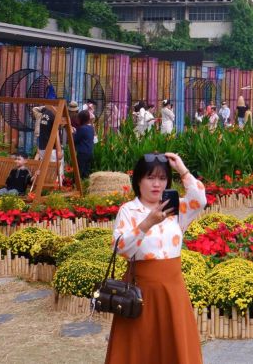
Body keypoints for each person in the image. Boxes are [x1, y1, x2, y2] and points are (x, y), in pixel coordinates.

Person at [106, 153, 206, 364]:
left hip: (173, 291)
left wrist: (182, 169)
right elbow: (120, 248)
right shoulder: (128, 211)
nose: (157, 184)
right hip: (141, 292)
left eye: (162, 178)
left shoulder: (175, 209)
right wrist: (146, 224)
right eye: (150, 178)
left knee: (174, 347)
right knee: (141, 349)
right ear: (139, 181)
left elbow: (199, 200)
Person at [74, 110, 95, 180]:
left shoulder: (81, 129)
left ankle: (77, 185)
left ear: (81, 119)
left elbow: (75, 139)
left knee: (79, 171)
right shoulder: (91, 128)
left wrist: (72, 133)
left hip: (82, 153)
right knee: (86, 170)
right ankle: (85, 184)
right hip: (89, 152)